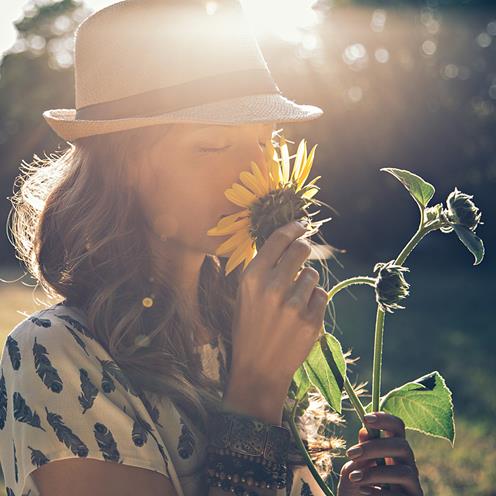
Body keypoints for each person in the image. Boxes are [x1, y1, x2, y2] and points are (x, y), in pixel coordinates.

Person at [0, 1, 424, 495]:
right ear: (124, 167)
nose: (255, 175)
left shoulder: (234, 328)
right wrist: (257, 391)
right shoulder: (56, 355)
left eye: (266, 142)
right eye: (211, 147)